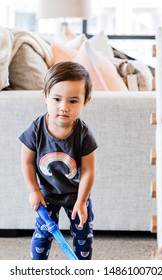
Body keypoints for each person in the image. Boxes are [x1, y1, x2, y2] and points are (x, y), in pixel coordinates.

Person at [19, 61, 98, 260]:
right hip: (46, 195)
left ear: (85, 101)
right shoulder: (36, 129)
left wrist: (81, 201)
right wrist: (34, 191)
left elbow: (88, 170)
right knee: (43, 235)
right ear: (45, 96)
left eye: (73, 101)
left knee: (83, 236)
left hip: (76, 195)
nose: (64, 107)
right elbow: (27, 161)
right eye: (56, 99)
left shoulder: (84, 134)